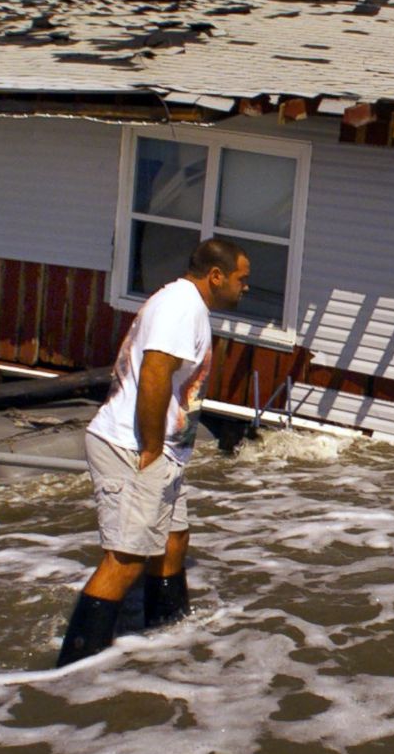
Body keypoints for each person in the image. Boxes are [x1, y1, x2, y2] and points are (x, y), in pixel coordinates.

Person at [55, 238, 250, 667]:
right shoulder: (182, 306)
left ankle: (164, 642)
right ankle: (70, 672)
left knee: (173, 540)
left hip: (159, 452)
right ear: (216, 276)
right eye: (242, 279)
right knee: (125, 560)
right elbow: (156, 372)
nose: (245, 288)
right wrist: (152, 447)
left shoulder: (186, 305)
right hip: (132, 445)